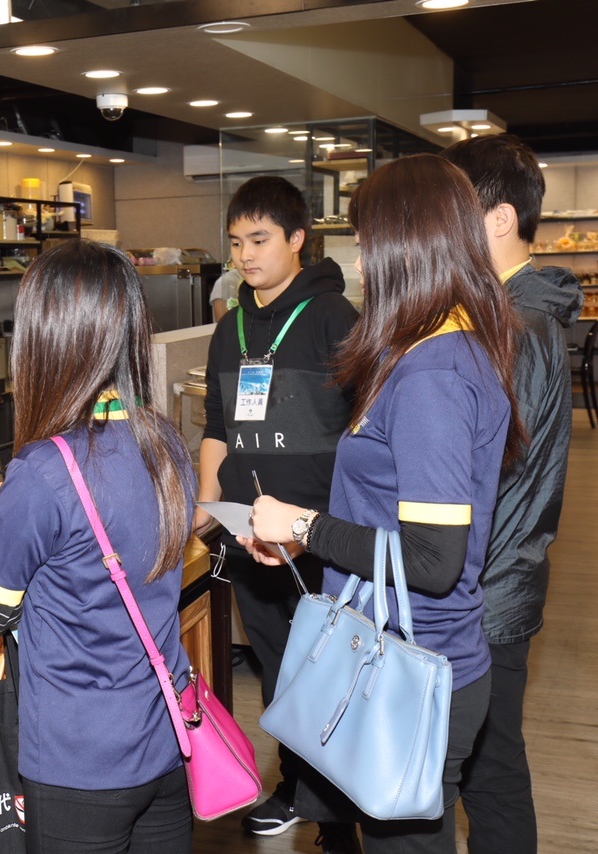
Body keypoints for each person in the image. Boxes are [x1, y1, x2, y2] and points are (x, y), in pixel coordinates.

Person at [242, 154, 527, 854]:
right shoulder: (436, 350)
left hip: (413, 670)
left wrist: (303, 523)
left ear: (407, 244)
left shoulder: (433, 374)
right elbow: (397, 516)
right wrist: (311, 537)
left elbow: (432, 560)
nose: (363, 261)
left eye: (368, 242)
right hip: (408, 657)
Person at [0, 239, 197, 853]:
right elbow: (106, 515)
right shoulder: (165, 442)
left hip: (79, 765)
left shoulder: (43, 470)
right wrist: (6, 498)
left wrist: (9, 508)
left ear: (46, 340)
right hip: (167, 740)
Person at [195, 175, 359, 849]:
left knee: (332, 675)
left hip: (319, 538)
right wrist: (206, 508)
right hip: (247, 537)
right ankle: (295, 787)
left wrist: (333, 526)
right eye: (236, 243)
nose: (245, 255)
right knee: (279, 674)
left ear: (297, 239)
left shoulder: (335, 318)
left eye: (259, 240)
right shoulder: (229, 328)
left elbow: (363, 430)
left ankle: (340, 816)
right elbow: (218, 426)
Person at [443, 134, 583, 854]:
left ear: (498, 218)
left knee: (489, 774)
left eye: (453, 209)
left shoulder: (516, 326)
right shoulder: (506, 312)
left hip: (487, 589)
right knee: (487, 769)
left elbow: (483, 471)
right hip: (493, 578)